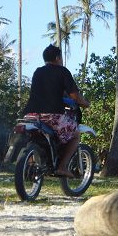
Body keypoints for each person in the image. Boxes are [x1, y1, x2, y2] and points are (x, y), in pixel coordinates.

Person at [23, 45, 90, 178]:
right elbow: (75, 96)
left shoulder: (38, 71)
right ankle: (62, 167)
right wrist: (85, 103)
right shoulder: (62, 71)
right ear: (58, 58)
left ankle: (31, 165)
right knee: (75, 134)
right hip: (51, 115)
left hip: (31, 115)